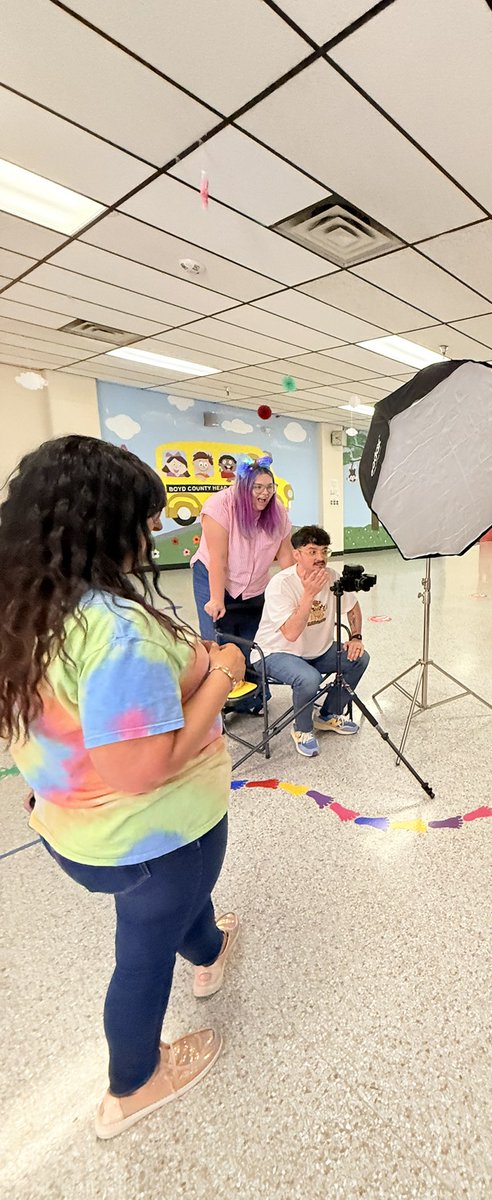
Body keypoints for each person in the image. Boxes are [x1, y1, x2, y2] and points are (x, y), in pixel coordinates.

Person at [0, 435, 247, 1138]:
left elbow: (47, 721)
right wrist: (223, 672)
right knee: (141, 953)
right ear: (98, 529)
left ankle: (207, 952)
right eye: (140, 522)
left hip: (73, 830)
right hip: (155, 837)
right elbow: (141, 769)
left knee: (167, 915)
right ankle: (132, 1083)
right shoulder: (119, 633)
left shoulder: (24, 608)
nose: (150, 535)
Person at [255, 525, 369, 757]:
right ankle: (302, 729)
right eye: (312, 552)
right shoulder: (281, 584)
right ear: (297, 554)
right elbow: (291, 634)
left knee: (359, 659)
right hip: (276, 652)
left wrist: (355, 637)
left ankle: (328, 715)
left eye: (324, 551)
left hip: (317, 651)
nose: (320, 558)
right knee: (309, 678)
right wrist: (308, 594)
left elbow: (352, 606)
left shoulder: (332, 576)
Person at [191, 455, 293, 711]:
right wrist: (216, 598)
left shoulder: (277, 511)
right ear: (243, 487)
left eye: (269, 487)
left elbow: (287, 557)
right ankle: (215, 702)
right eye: (257, 487)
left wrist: (299, 593)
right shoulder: (220, 507)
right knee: (219, 641)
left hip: (255, 583)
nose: (264, 493)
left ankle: (250, 699)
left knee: (251, 640)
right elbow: (219, 559)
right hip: (214, 577)